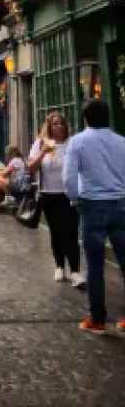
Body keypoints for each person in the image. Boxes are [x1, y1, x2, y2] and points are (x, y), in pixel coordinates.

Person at [63, 99, 125, 333]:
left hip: (92, 205)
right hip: (120, 205)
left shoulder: (78, 142)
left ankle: (97, 319)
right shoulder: (122, 142)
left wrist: (75, 199)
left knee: (95, 265)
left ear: (85, 118)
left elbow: (69, 178)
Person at [28, 112, 85, 289]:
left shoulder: (72, 143)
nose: (58, 127)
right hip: (48, 193)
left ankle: (75, 271)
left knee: (71, 232)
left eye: (61, 123)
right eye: (54, 124)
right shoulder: (40, 144)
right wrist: (44, 151)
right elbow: (31, 167)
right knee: (56, 231)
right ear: (49, 126)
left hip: (68, 194)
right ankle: (60, 266)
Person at [0, 146, 28, 214]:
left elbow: (3, 173)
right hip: (22, 185)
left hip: (20, 186)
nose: (7, 156)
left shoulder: (15, 161)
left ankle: (9, 198)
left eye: (7, 154)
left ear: (11, 153)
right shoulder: (21, 160)